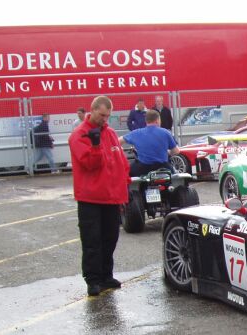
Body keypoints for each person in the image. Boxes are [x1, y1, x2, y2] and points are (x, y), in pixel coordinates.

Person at [68, 96, 131, 297]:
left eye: (108, 116)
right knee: (92, 240)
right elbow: (89, 164)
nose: (105, 119)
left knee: (110, 238)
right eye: (102, 115)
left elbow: (120, 161)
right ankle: (93, 280)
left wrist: (126, 185)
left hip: (111, 197)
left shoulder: (110, 133)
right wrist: (95, 146)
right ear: (92, 110)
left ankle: (106, 275)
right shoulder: (79, 135)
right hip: (91, 198)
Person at [119, 109, 180, 176]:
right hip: (163, 167)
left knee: (127, 174)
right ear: (157, 120)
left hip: (142, 169)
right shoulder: (166, 132)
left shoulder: (137, 133)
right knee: (173, 177)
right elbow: (176, 151)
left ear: (146, 121)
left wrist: (120, 150)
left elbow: (118, 141)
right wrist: (168, 152)